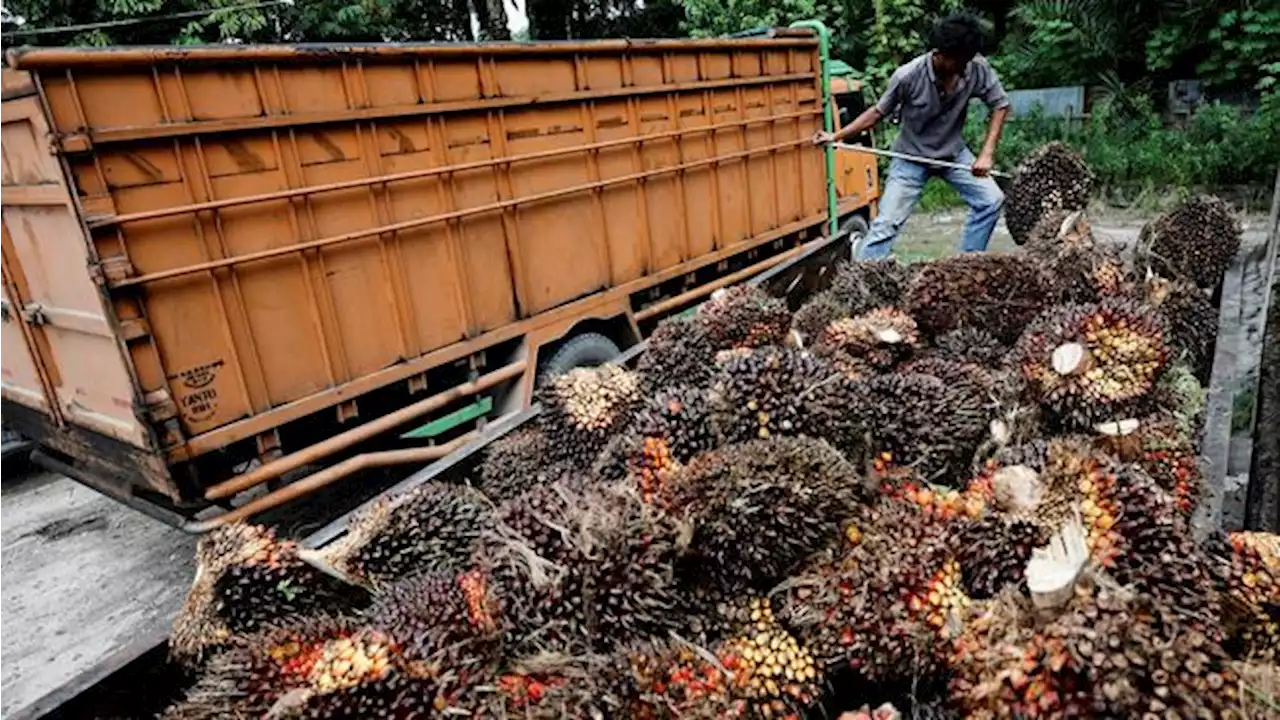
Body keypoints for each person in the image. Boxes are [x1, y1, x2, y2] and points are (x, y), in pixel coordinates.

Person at [815, 12, 1011, 259]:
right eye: (960, 62)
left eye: (968, 61)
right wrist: (836, 136)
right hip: (911, 157)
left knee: (991, 201)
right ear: (940, 54)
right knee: (885, 224)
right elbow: (877, 113)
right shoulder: (907, 76)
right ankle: (860, 283)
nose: (964, 68)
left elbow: (1000, 105)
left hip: (953, 154)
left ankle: (965, 265)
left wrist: (986, 154)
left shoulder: (976, 67)